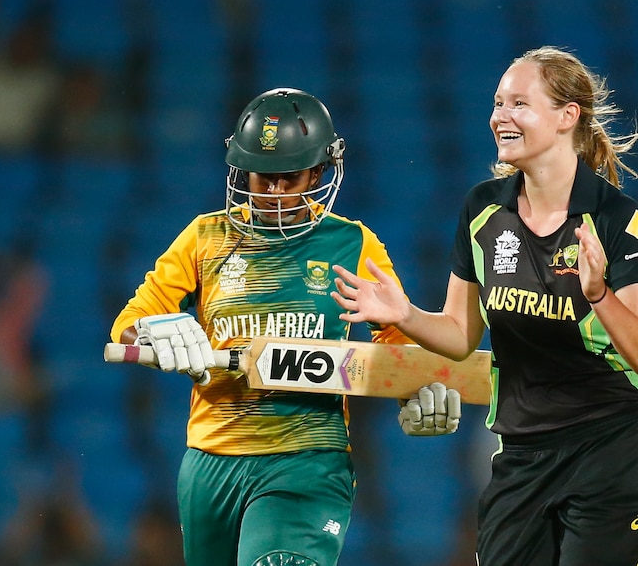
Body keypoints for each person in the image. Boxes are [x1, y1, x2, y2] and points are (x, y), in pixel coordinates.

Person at [331, 46, 638, 565]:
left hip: (615, 442)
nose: (499, 117)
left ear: (566, 117)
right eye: (497, 103)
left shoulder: (616, 220)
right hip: (521, 451)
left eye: (518, 104)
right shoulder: (483, 210)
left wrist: (599, 294)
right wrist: (406, 315)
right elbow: (461, 334)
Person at [110, 88, 460, 566]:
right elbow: (128, 326)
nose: (273, 192)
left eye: (288, 178)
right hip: (210, 462)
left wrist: (419, 390)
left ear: (318, 172)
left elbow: (395, 344)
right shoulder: (205, 237)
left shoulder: (352, 244)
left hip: (308, 459)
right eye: (263, 177)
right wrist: (153, 329)